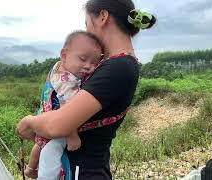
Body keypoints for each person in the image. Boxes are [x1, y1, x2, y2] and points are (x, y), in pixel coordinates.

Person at [17, 0, 156, 179]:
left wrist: (28, 122)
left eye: (87, 24)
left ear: (103, 17)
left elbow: (58, 124)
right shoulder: (108, 64)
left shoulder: (119, 67)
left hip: (82, 171)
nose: (87, 32)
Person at [24, 31, 103, 179]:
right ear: (64, 55)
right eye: (83, 59)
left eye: (94, 63)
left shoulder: (58, 68)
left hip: (44, 119)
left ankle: (30, 168)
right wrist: (72, 135)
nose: (88, 66)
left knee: (40, 145)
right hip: (57, 125)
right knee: (52, 151)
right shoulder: (67, 81)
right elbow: (66, 111)